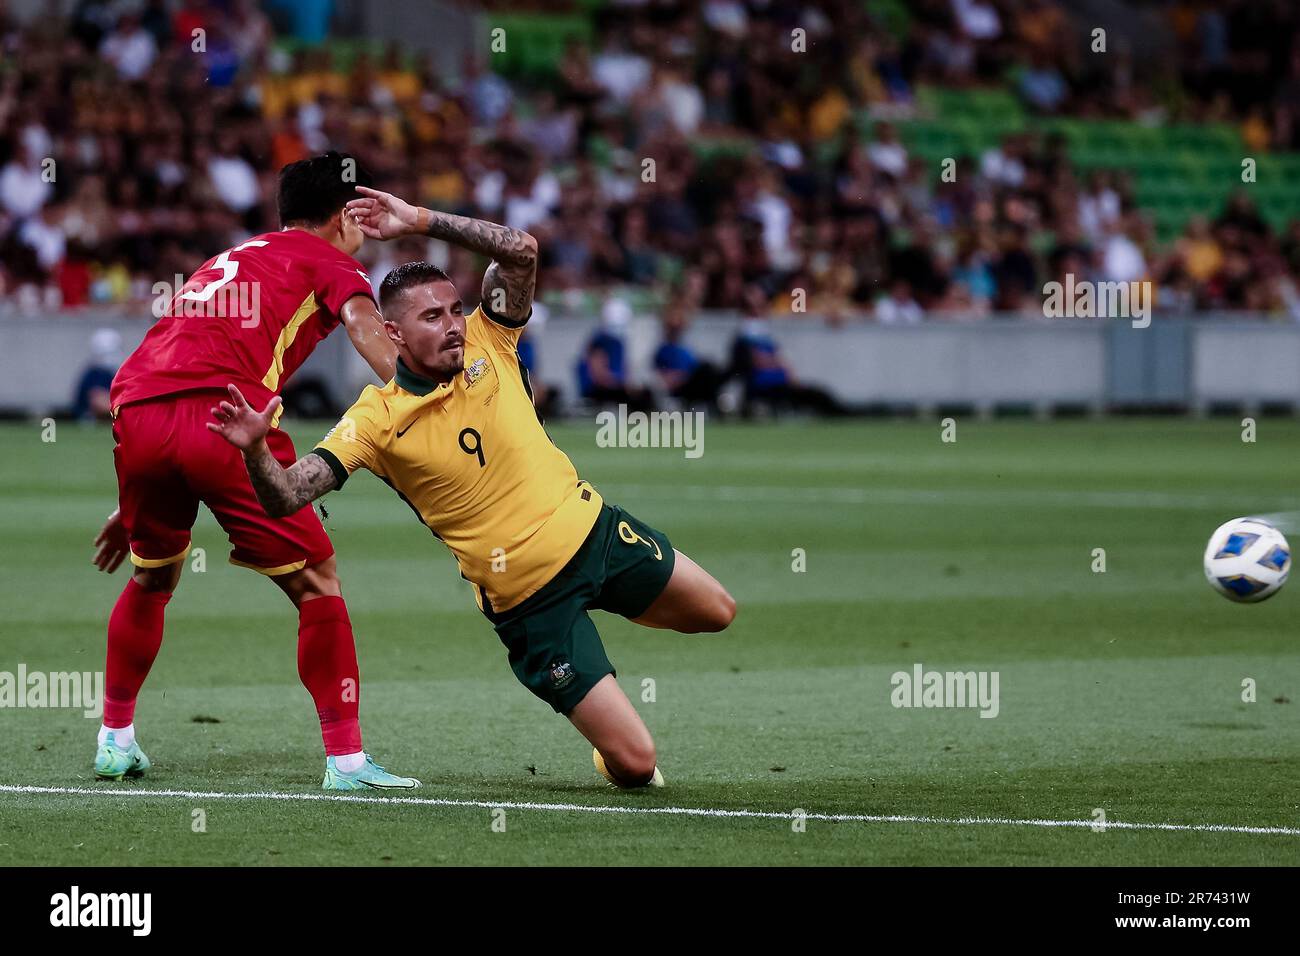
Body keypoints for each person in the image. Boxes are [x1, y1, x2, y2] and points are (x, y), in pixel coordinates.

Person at [208, 186, 737, 789]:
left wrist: (420, 219)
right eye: (432, 317)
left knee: (718, 612)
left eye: (454, 309)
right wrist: (254, 449)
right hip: (531, 603)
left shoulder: (492, 337)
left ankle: (602, 648)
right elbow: (286, 497)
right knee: (637, 766)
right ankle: (594, 699)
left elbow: (522, 251)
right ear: (394, 333)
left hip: (596, 535)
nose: (454, 326)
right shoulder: (374, 420)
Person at [91, 152, 419, 791]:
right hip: (226, 417)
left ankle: (114, 740)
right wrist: (420, 393)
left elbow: (176, 368)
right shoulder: (331, 260)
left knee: (153, 577)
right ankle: (347, 763)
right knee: (318, 582)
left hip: (137, 413)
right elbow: (363, 325)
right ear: (346, 214)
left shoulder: (230, 258)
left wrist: (131, 495)